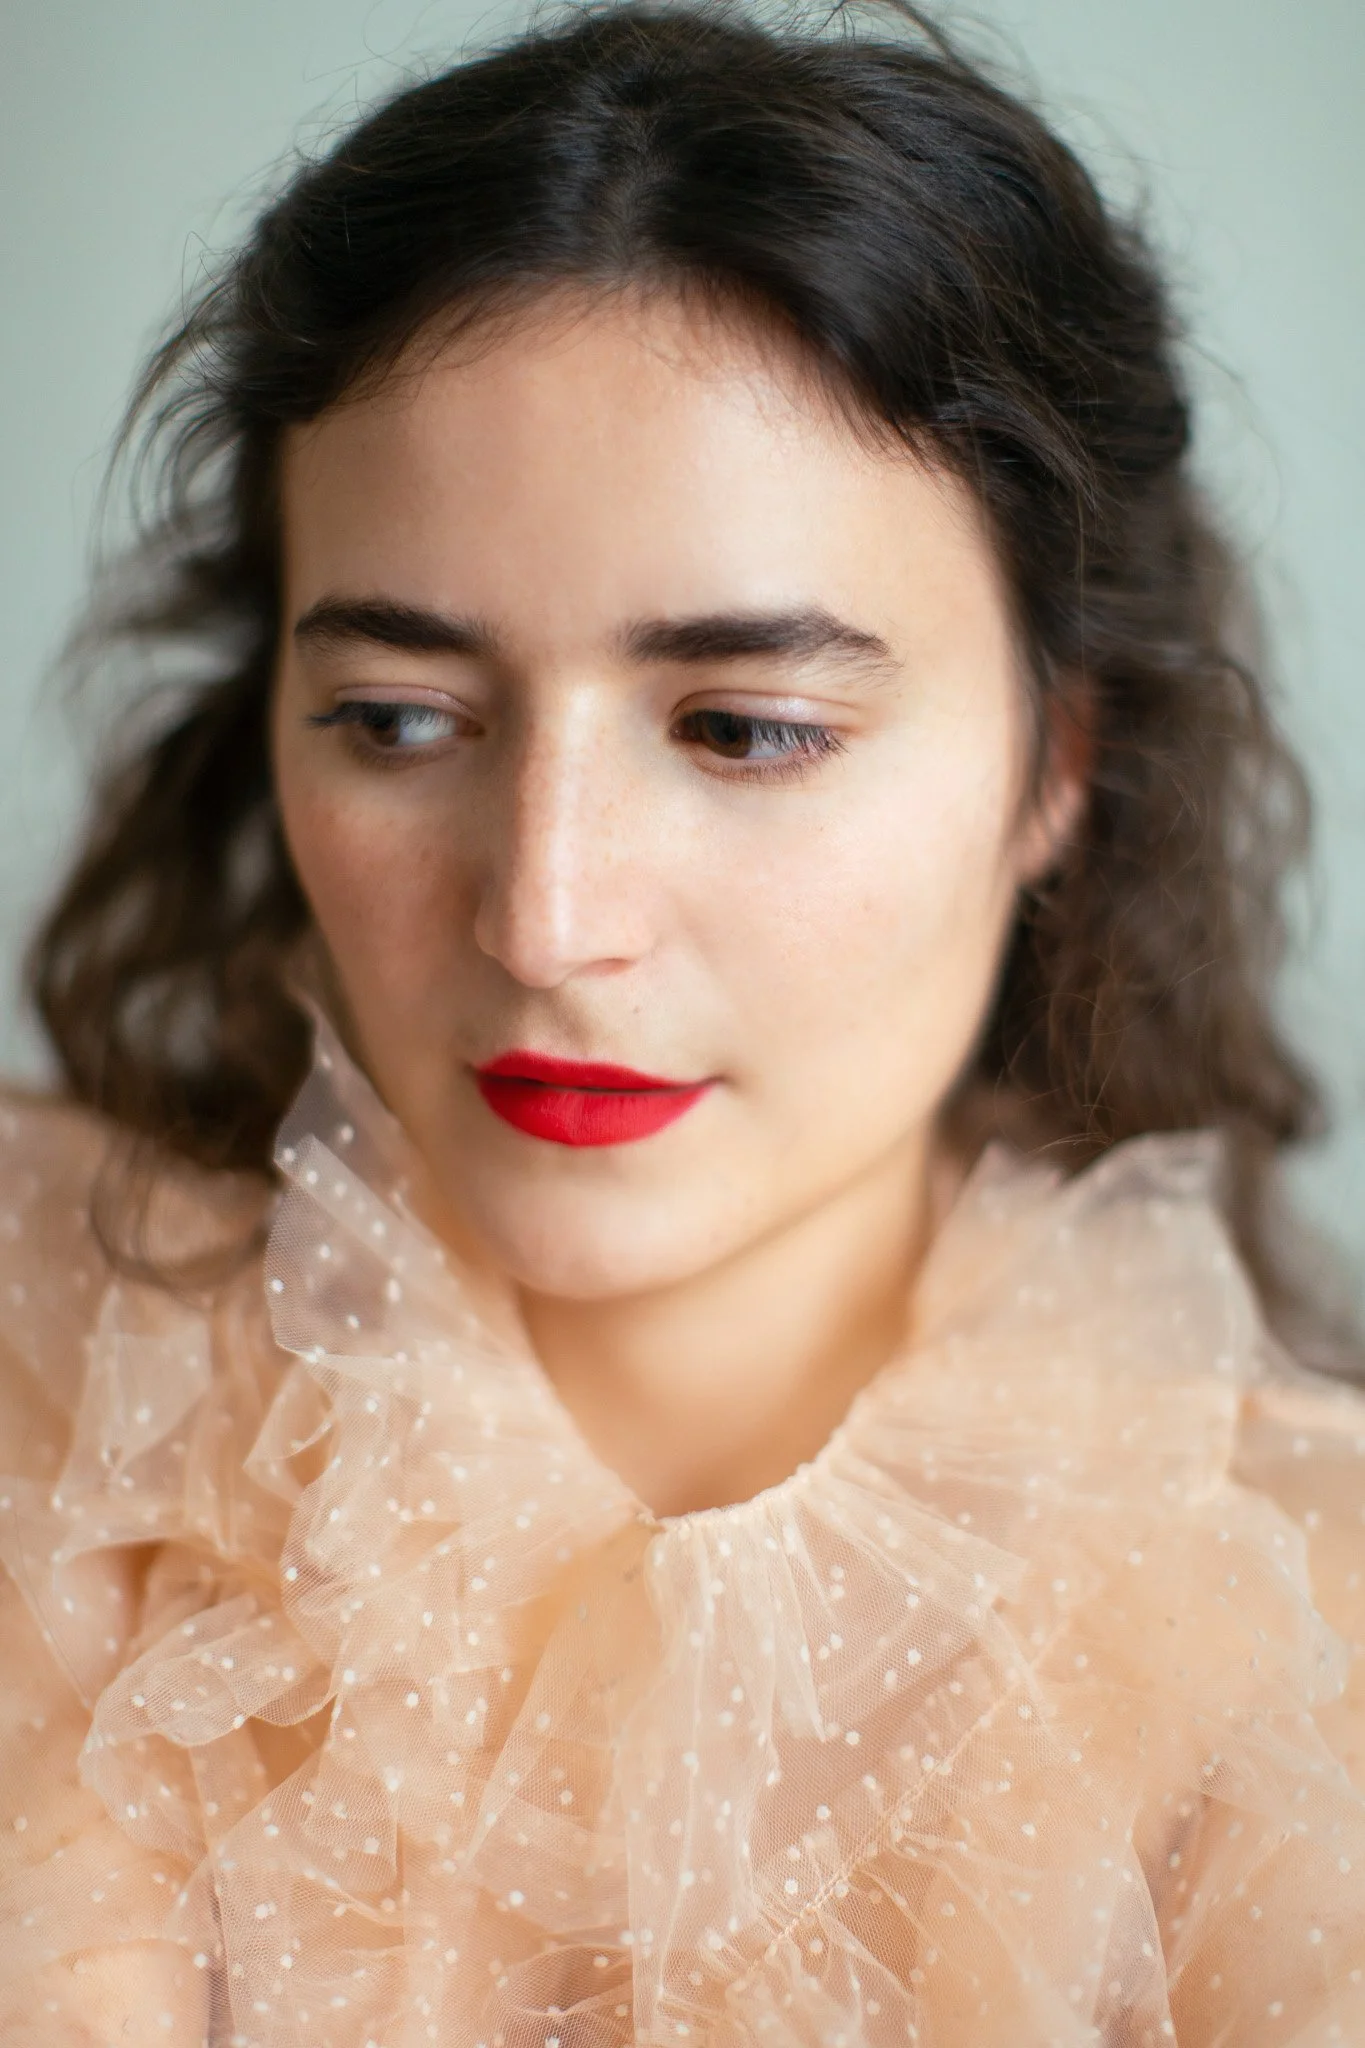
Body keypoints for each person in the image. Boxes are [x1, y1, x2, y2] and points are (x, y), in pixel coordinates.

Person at [2, 2, 1363, 2040]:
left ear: (1054, 763)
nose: (546, 915)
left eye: (745, 729)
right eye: (396, 720)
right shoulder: (43, 1389)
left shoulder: (1294, 1648)